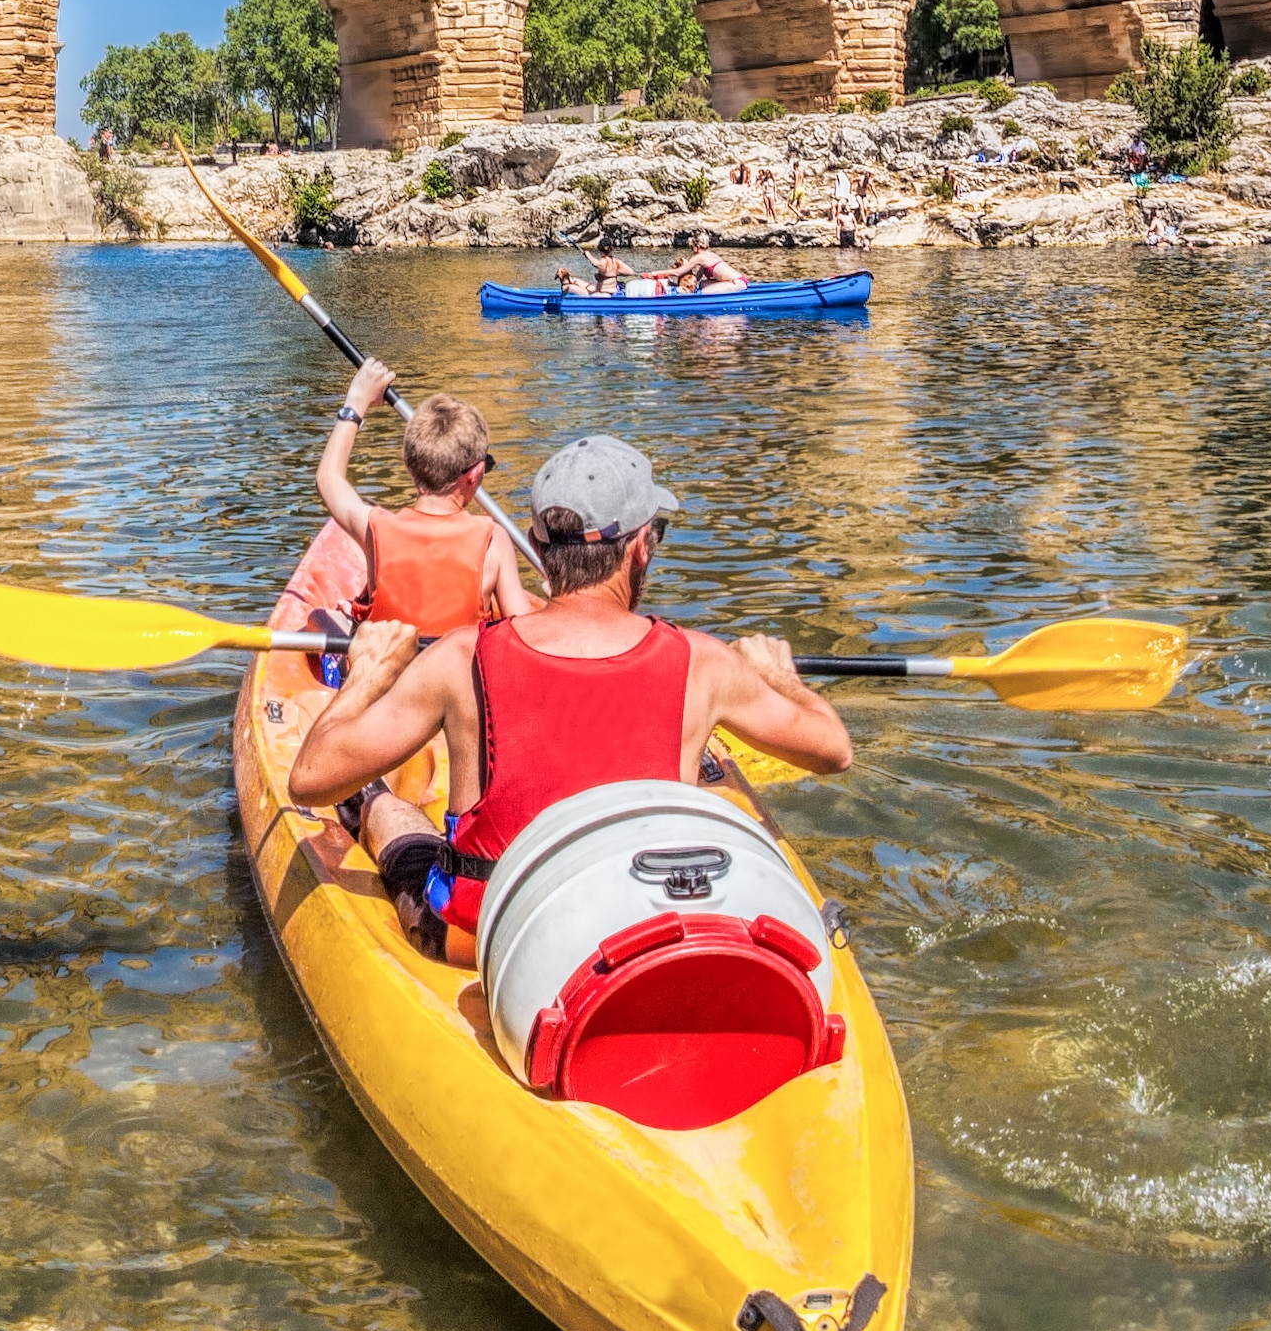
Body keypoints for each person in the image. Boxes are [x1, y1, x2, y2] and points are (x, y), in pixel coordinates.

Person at [289, 435, 853, 959]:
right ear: (641, 549)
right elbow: (833, 751)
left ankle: (376, 805)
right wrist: (779, 675)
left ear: (535, 542)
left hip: (488, 945)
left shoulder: (460, 658)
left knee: (390, 809)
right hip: (640, 930)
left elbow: (311, 778)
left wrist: (367, 672)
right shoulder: (705, 663)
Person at [307, 355, 531, 659]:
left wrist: (356, 402)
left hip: (390, 682)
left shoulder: (375, 528)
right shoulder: (494, 540)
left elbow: (328, 478)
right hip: (456, 690)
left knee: (321, 619)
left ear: (409, 465)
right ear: (475, 474)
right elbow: (524, 635)